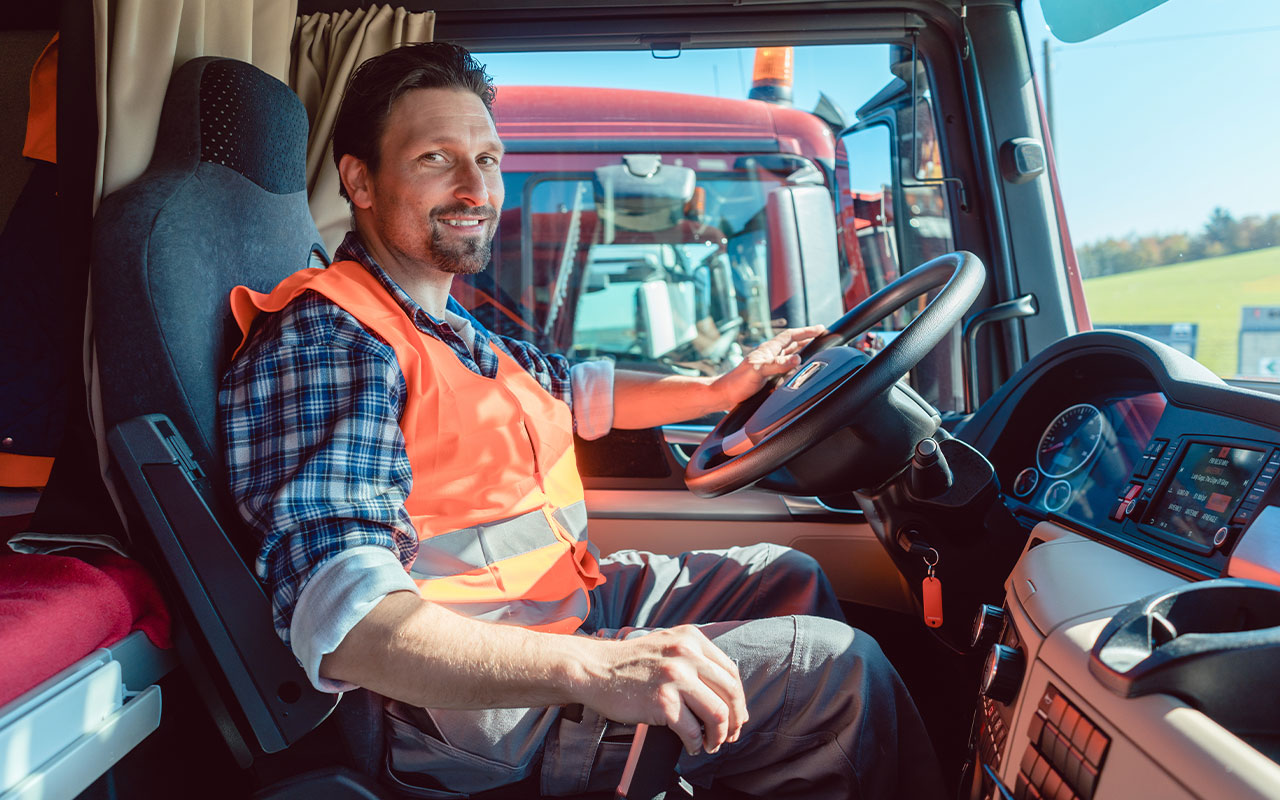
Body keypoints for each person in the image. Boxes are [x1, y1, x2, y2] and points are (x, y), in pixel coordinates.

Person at [219, 42, 945, 799]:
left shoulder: (445, 325)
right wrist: (599, 668)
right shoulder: (333, 340)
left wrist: (720, 386)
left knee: (786, 575)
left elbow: (574, 389)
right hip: (475, 715)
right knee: (837, 673)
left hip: (550, 609)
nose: (477, 189)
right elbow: (348, 621)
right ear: (360, 181)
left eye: (490, 159)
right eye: (437, 159)